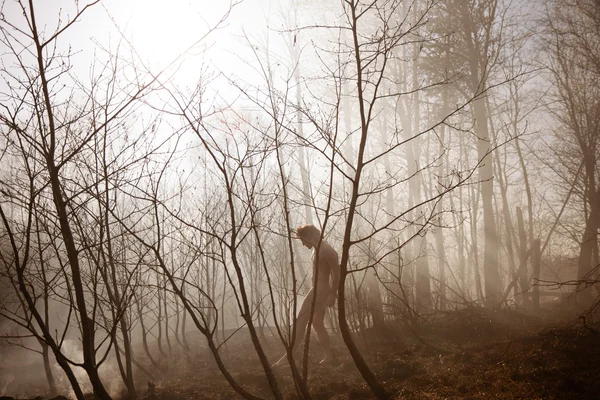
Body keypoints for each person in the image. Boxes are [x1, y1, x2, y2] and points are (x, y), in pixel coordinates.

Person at [273, 224, 340, 366]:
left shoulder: (326, 249)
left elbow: (337, 272)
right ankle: (328, 356)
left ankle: (289, 357)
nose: (303, 244)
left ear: (311, 236)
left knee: (301, 320)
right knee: (317, 323)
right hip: (318, 289)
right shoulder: (317, 249)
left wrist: (333, 294)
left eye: (303, 240)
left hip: (321, 290)